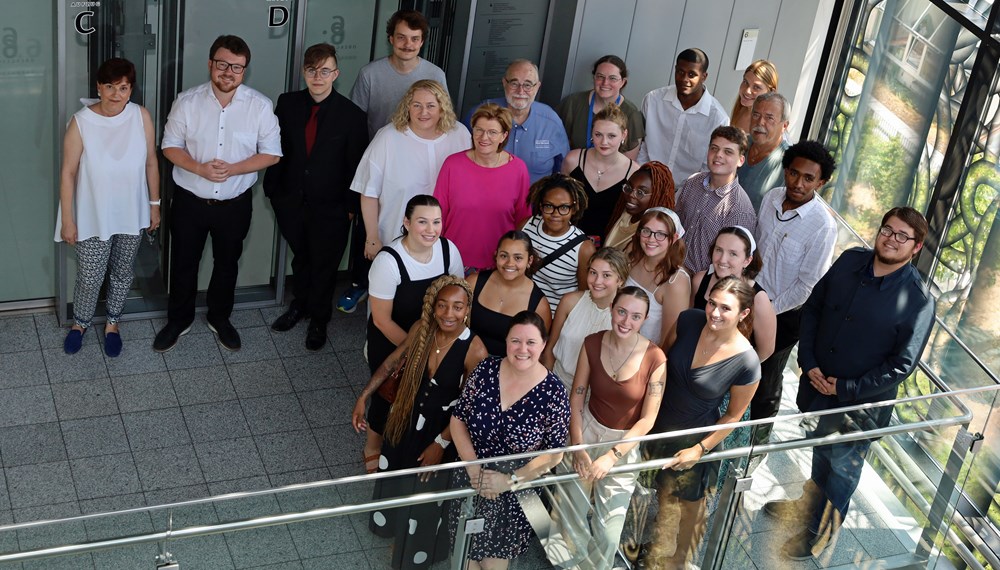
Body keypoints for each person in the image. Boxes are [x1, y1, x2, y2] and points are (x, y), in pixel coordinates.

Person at [763, 207, 935, 561]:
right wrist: (807, 362)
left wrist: (843, 388)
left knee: (842, 469)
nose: (891, 238)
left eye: (902, 236)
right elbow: (813, 309)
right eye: (887, 229)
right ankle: (808, 505)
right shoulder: (849, 261)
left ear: (915, 247)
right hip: (816, 384)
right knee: (819, 448)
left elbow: (902, 365)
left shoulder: (919, 300)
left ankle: (820, 532)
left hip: (858, 405)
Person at [154, 35, 281, 353]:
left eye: (237, 67)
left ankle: (220, 318)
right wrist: (199, 169)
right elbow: (169, 146)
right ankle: (178, 320)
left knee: (227, 263)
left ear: (244, 71)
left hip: (234, 205)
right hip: (189, 202)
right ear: (211, 64)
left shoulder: (260, 106)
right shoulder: (187, 101)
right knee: (184, 263)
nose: (229, 72)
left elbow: (272, 154)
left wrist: (233, 169)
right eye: (223, 64)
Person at [352, 275, 488, 569]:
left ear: (467, 310)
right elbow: (390, 363)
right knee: (395, 475)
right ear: (434, 307)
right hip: (404, 420)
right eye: (442, 306)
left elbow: (467, 408)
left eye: (457, 307)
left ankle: (414, 551)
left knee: (426, 494)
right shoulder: (422, 330)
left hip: (439, 432)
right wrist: (364, 396)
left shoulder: (474, 349)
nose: (448, 314)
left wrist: (440, 443)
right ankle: (389, 527)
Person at [338, 9, 449, 315]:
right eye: (401, 37)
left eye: (414, 39)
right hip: (380, 156)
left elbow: (442, 117)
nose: (407, 44)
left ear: (422, 41)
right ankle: (361, 283)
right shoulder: (370, 74)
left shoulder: (435, 74)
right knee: (369, 225)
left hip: (416, 162)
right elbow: (355, 121)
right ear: (391, 39)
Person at [645, 277, 761, 568]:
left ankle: (681, 559)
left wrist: (700, 449)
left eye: (726, 308)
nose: (715, 313)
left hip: (692, 440)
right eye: (712, 303)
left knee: (690, 506)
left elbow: (733, 416)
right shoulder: (689, 320)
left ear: (743, 314)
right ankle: (658, 546)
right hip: (657, 424)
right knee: (663, 493)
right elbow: (659, 357)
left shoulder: (747, 362)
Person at [264, 43, 367, 350]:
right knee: (302, 258)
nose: (318, 77)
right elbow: (277, 148)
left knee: (325, 264)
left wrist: (350, 209)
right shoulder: (287, 103)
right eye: (312, 70)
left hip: (332, 208)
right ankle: (301, 305)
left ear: (335, 73)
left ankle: (319, 318)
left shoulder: (352, 115)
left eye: (324, 70)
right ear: (303, 72)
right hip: (291, 202)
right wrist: (275, 193)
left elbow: (355, 166)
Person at [554, 286, 666, 569]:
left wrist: (612, 455)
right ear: (612, 309)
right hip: (586, 431)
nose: (626, 321)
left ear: (644, 319)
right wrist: (578, 446)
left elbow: (647, 420)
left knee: (608, 530)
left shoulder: (655, 358)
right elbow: (577, 396)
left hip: (624, 445)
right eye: (621, 312)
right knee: (571, 516)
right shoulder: (592, 343)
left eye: (636, 316)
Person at [449, 311, 571, 569]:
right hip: (471, 479)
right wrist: (473, 468)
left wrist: (509, 481)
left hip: (515, 492)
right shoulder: (485, 369)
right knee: (463, 561)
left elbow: (555, 453)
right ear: (506, 341)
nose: (522, 349)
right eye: (515, 341)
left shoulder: (554, 392)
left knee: (494, 564)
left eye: (531, 342)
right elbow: (458, 419)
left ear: (544, 345)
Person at [56, 57, 160, 358]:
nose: (117, 94)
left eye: (124, 87)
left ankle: (113, 323)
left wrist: (154, 206)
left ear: (131, 89)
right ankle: (81, 324)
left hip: (132, 210)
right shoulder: (81, 121)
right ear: (99, 87)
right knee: (90, 276)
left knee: (122, 272)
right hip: (92, 213)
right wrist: (67, 220)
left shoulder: (141, 116)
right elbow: (68, 173)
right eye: (111, 87)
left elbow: (151, 162)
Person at [358, 195, 464, 473]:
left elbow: (458, 296)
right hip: (393, 340)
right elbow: (381, 320)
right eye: (422, 222)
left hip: (434, 343)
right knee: (387, 394)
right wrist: (416, 350)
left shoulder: (448, 250)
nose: (431, 229)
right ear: (406, 223)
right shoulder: (388, 261)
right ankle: (372, 445)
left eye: (436, 222)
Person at [753, 141, 838, 444]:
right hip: (751, 295)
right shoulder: (772, 198)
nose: (798, 183)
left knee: (766, 381)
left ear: (821, 182)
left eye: (808, 178)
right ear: (785, 171)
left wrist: (764, 312)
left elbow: (806, 287)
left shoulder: (823, 226)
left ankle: (754, 447)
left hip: (785, 313)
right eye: (793, 173)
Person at [353, 80, 470, 262]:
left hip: (445, 240)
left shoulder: (460, 135)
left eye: (431, 105)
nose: (424, 112)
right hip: (394, 238)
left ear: (442, 108)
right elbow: (369, 192)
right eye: (417, 105)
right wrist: (372, 237)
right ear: (407, 107)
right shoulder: (388, 137)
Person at [435, 103, 531, 272]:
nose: (483, 137)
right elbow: (437, 214)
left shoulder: (518, 169)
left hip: (498, 266)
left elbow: (523, 220)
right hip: (453, 261)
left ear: (504, 136)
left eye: (492, 132)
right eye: (478, 130)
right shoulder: (453, 164)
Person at [466, 59, 570, 182]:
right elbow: (462, 158)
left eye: (527, 84)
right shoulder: (481, 113)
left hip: (535, 199)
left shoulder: (551, 121)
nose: (520, 91)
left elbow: (563, 168)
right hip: (487, 197)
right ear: (504, 83)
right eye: (514, 84)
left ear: (537, 87)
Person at [542, 247, 631, 390]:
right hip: (557, 382)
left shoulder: (625, 317)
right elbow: (550, 349)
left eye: (606, 275)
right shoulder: (569, 302)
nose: (597, 281)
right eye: (593, 273)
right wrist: (545, 387)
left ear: (620, 280)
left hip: (593, 394)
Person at [637, 48, 729, 183]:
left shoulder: (718, 119)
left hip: (687, 193)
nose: (684, 79)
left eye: (692, 74)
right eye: (680, 72)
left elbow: (709, 166)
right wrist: (642, 179)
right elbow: (642, 147)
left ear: (704, 77)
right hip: (647, 184)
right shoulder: (652, 100)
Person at [675, 125, 757, 275]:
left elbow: (733, 265)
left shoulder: (739, 209)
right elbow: (676, 224)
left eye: (728, 152)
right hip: (671, 269)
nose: (718, 154)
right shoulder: (692, 182)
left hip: (701, 285)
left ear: (740, 160)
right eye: (714, 148)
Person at [691, 226, 776, 362]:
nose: (723, 259)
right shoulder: (699, 280)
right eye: (718, 250)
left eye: (733, 254)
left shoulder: (759, 299)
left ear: (747, 260)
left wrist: (734, 372)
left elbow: (766, 350)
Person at [519, 174, 595, 314]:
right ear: (541, 206)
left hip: (556, 320)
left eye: (564, 208)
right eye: (549, 206)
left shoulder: (583, 248)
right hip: (520, 309)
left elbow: (583, 297)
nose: (555, 214)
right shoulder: (526, 227)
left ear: (574, 208)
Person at [561, 104, 638, 244]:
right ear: (592, 134)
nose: (604, 142)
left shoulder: (634, 173)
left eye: (611, 136)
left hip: (607, 248)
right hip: (566, 242)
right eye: (598, 135)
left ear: (624, 135)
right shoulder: (572, 160)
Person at [469, 231, 551, 356]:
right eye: (504, 256)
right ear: (496, 255)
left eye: (518, 258)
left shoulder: (540, 305)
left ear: (530, 260)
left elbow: (537, 352)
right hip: (465, 364)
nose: (510, 263)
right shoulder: (473, 283)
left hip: (509, 371)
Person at [556, 55, 645, 160]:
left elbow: (628, 162)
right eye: (600, 76)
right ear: (594, 78)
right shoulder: (573, 103)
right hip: (571, 169)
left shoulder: (631, 114)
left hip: (610, 174)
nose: (605, 83)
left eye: (612, 78)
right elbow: (556, 144)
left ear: (623, 82)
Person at [624, 208, 690, 345]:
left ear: (674, 238)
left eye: (661, 234)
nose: (651, 239)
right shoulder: (632, 254)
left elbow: (669, 339)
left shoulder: (676, 281)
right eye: (646, 231)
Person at [604, 161, 676, 251]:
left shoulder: (653, 236)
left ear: (657, 196)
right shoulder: (623, 214)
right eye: (628, 188)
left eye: (640, 192)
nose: (631, 195)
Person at [737, 92, 791, 211]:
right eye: (756, 115)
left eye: (769, 118)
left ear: (784, 126)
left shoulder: (790, 163)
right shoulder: (739, 143)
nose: (760, 122)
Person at [729, 60, 779, 134]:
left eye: (757, 87)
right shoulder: (741, 110)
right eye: (745, 82)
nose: (747, 91)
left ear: (771, 92)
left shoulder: (770, 126)